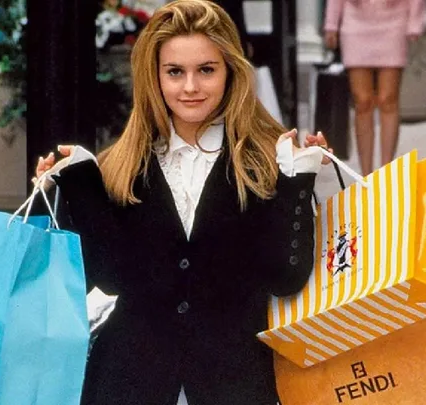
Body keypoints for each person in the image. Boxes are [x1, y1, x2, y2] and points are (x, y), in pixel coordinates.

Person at [35, 1, 330, 404]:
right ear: (154, 76)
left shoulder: (267, 161)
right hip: (129, 382)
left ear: (231, 72)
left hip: (235, 383)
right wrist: (72, 186)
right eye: (175, 72)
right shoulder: (118, 166)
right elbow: (106, 277)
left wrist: (300, 177)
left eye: (206, 70)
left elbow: (287, 277)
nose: (190, 87)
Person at [324, 0, 426, 176]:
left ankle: (386, 174)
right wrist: (331, 24)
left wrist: (415, 21)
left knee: (388, 99)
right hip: (355, 22)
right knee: (362, 101)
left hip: (395, 22)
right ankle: (366, 177)